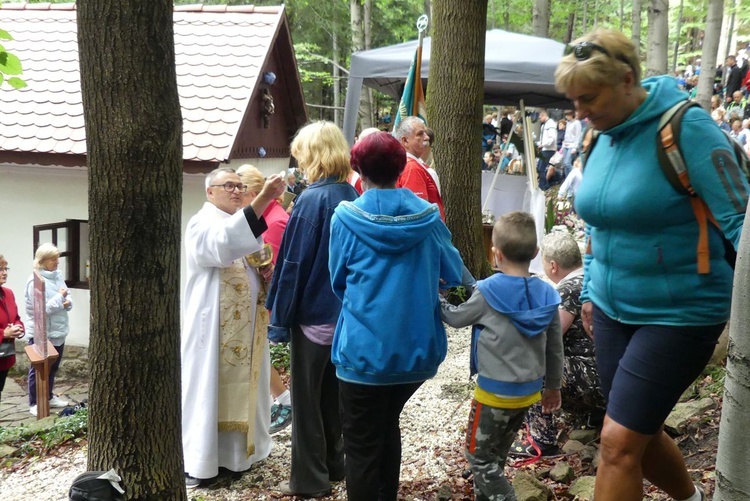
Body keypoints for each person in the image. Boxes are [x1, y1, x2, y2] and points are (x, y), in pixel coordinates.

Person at [556, 28, 749, 501]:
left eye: (588, 98)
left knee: (617, 445)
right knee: (639, 429)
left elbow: (741, 220)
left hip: (680, 312)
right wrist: (588, 291)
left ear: (626, 79)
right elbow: (599, 225)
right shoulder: (596, 136)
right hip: (610, 309)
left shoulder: (685, 128)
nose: (579, 112)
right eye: (573, 101)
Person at [328, 131, 463, 500]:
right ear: (402, 168)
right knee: (385, 426)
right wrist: (437, 300)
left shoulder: (344, 218)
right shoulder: (428, 217)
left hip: (362, 353)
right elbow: (459, 280)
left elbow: (337, 282)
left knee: (361, 448)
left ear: (358, 168)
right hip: (415, 353)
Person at [440, 211, 563, 501]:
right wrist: (553, 386)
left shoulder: (486, 291)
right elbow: (554, 346)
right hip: (529, 393)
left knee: (478, 456)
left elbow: (456, 319)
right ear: (535, 252)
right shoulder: (548, 295)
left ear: (495, 254)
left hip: (493, 394)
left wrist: (436, 299)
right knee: (496, 456)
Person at [265, 121, 358, 498]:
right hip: (346, 318)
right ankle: (335, 464)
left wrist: (279, 322)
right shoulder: (352, 194)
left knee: (305, 405)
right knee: (333, 397)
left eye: (301, 153)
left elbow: (293, 267)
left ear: (313, 155)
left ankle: (309, 481)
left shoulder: (311, 200)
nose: (298, 161)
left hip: (313, 318)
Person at [181, 167, 285, 489]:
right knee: (209, 394)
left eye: (241, 186)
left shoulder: (237, 223)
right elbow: (222, 246)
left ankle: (239, 459)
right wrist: (265, 197)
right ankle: (204, 463)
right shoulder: (202, 223)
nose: (237, 191)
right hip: (211, 334)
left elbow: (256, 261)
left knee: (247, 392)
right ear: (210, 192)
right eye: (229, 186)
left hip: (246, 331)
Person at [515, 231, 605, 457]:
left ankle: (541, 440)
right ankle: (592, 417)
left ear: (553, 266)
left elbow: (548, 337)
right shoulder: (593, 279)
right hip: (612, 372)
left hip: (594, 377)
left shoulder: (569, 289)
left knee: (531, 363)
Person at [236, 164, 293, 436]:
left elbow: (270, 265)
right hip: (259, 295)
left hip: (266, 297)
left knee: (258, 351)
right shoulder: (265, 216)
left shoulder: (274, 220)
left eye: (242, 192)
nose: (238, 199)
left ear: (257, 193)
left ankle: (283, 400)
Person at [24, 243, 72, 416]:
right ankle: (34, 402)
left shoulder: (57, 275)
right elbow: (41, 309)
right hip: (42, 332)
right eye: (54, 259)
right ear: (43, 261)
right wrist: (61, 297)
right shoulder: (34, 281)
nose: (57, 262)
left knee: (53, 367)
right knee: (38, 369)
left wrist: (67, 302)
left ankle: (49, 396)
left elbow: (67, 295)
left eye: (57, 258)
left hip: (59, 330)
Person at [393, 116, 445, 220]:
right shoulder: (412, 168)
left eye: (425, 133)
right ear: (405, 140)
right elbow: (418, 214)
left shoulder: (405, 164)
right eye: (420, 134)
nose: (427, 137)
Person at [0, 255, 25, 404]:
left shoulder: (8, 293)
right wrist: (4, 333)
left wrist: (18, 327)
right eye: (0, 269)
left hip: (4, 357)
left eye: (5, 268)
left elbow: (16, 317)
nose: (4, 273)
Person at [536, 109, 560, 190]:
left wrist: (543, 144)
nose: (539, 119)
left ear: (543, 115)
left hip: (548, 149)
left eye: (540, 117)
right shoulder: (544, 125)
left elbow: (551, 138)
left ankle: (543, 186)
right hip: (545, 148)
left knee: (541, 168)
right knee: (539, 168)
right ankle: (544, 185)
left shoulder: (550, 124)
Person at [561, 110, 582, 178]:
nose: (566, 116)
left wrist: (575, 147)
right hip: (566, 145)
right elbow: (566, 135)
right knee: (564, 164)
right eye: (566, 115)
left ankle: (572, 179)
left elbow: (578, 136)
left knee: (567, 163)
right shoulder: (568, 123)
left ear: (572, 114)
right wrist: (563, 145)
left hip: (572, 145)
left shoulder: (577, 123)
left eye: (568, 114)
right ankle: (568, 179)